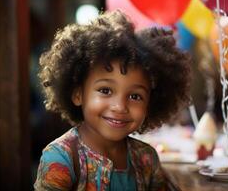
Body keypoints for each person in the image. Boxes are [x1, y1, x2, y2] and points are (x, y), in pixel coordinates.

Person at [34, 10, 191, 191]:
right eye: (105, 90)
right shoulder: (61, 158)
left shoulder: (147, 158)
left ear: (151, 102)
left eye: (135, 96)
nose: (120, 107)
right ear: (78, 94)